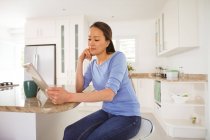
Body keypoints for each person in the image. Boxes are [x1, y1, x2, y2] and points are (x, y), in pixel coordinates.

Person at [46, 21, 141, 140]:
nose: (91, 43)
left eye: (96, 39)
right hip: (106, 112)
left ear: (107, 42)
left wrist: (68, 96)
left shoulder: (118, 57)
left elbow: (109, 94)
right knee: (70, 132)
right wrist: (80, 61)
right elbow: (79, 88)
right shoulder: (93, 65)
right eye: (89, 39)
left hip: (128, 117)